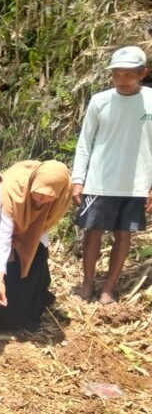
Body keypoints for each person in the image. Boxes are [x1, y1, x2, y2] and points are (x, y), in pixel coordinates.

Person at [72, 45, 152, 304]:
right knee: (92, 232)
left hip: (136, 183)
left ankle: (108, 288)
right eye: (116, 74)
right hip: (99, 181)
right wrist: (78, 179)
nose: (121, 79)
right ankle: (87, 284)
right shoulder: (100, 101)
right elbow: (85, 142)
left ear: (142, 73)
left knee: (123, 234)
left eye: (128, 74)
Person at [0, 160, 71, 332]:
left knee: (35, 262)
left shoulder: (63, 194)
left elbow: (47, 221)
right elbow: (2, 240)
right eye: (39, 195)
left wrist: (28, 240)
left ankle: (26, 315)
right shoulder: (11, 192)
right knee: (4, 266)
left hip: (36, 227)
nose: (42, 201)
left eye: (49, 197)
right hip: (0, 221)